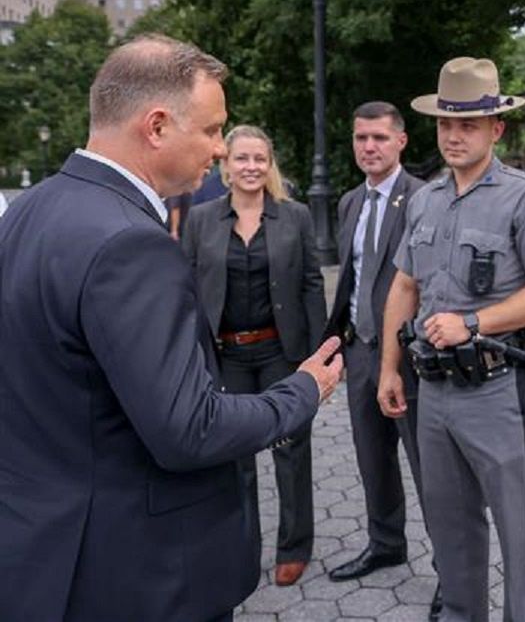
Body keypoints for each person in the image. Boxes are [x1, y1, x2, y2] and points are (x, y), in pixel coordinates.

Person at [0, 35, 343, 622]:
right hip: (134, 572)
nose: (218, 150)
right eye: (211, 130)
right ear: (157, 126)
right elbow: (190, 431)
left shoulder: (30, 209)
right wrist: (302, 391)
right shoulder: (131, 242)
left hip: (42, 552)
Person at [377, 57, 525, 622]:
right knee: (451, 531)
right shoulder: (426, 199)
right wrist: (390, 367)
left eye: (467, 124)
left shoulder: (523, 198)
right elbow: (404, 285)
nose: (454, 136)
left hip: (498, 393)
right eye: (446, 124)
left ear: (496, 129)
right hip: (433, 395)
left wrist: (475, 322)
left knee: (521, 536)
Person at [182, 124, 328, 587]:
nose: (250, 167)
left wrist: (316, 355)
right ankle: (241, 550)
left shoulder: (295, 216)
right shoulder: (201, 218)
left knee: (291, 451)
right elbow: (185, 286)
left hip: (279, 352)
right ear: (225, 165)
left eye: (259, 159)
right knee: (235, 459)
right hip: (225, 355)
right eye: (241, 159)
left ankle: (294, 547)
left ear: (270, 165)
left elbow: (310, 283)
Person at [324, 102, 429, 586]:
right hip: (361, 350)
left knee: (427, 464)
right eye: (361, 138)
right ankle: (386, 544)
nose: (369, 147)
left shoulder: (424, 199)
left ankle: (452, 571)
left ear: (401, 142)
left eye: (380, 138)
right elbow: (351, 280)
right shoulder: (349, 203)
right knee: (372, 456)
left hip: (410, 355)